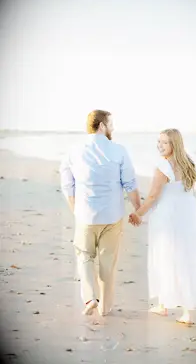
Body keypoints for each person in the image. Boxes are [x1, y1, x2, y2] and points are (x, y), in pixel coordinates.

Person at [129, 129, 196, 324]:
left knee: (169, 257)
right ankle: (163, 304)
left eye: (165, 143)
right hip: (187, 215)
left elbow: (153, 196)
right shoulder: (188, 162)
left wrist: (138, 214)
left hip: (168, 216)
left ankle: (186, 312)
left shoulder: (163, 166)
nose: (160, 146)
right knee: (184, 255)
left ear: (174, 145)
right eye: (159, 142)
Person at [60, 110, 141, 316]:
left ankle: (89, 298)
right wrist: (138, 210)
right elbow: (130, 183)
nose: (113, 128)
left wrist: (75, 209)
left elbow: (67, 185)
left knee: (85, 256)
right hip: (112, 217)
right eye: (111, 124)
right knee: (108, 262)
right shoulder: (119, 150)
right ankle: (105, 308)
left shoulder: (74, 151)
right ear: (102, 125)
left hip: (85, 215)